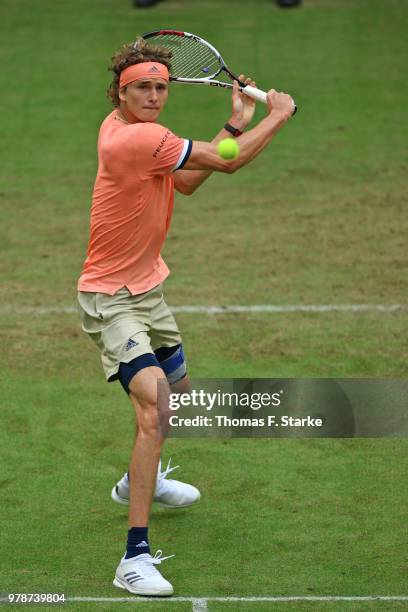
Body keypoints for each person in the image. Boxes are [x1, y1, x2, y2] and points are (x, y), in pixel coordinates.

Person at [77, 38, 295, 597]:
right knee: (152, 407)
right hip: (110, 297)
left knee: (176, 395)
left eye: (160, 87)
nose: (153, 96)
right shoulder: (138, 138)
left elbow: (192, 178)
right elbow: (232, 163)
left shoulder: (136, 132)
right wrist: (279, 115)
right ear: (120, 93)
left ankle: (137, 482)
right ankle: (134, 558)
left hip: (149, 287)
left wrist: (233, 122)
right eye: (141, 88)